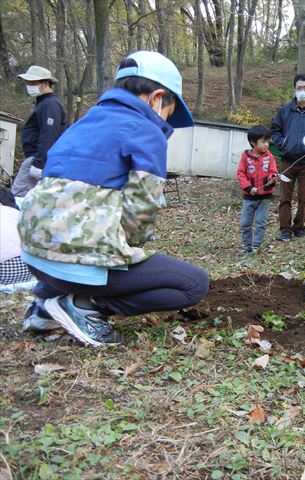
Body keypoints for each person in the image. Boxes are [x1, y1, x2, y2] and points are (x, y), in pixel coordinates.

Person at [18, 51, 209, 347]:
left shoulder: (83, 123)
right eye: (170, 112)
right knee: (193, 284)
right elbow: (140, 214)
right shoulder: (147, 131)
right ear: (156, 98)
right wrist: (129, 249)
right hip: (74, 265)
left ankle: (46, 307)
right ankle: (84, 306)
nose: (166, 123)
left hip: (34, 260)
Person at [271, 74, 305, 241]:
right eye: (299, 88)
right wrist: (282, 144)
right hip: (287, 161)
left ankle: (299, 227)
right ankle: (285, 230)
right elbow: (275, 130)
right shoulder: (285, 110)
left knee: (304, 197)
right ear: (294, 90)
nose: (302, 91)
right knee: (285, 198)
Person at [12, 65, 67, 198]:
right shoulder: (43, 103)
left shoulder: (50, 105)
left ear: (45, 83)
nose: (29, 86)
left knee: (18, 195)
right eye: (28, 83)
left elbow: (49, 134)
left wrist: (38, 163)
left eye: (33, 83)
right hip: (37, 157)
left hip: (37, 159)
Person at [237, 125, 279, 255]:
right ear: (253, 143)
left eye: (268, 141)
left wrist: (273, 179)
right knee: (245, 223)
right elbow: (241, 174)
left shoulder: (269, 157)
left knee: (261, 222)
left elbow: (273, 171)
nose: (267, 144)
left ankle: (256, 246)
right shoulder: (245, 157)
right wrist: (249, 188)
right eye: (263, 141)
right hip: (249, 198)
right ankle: (246, 246)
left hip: (265, 197)